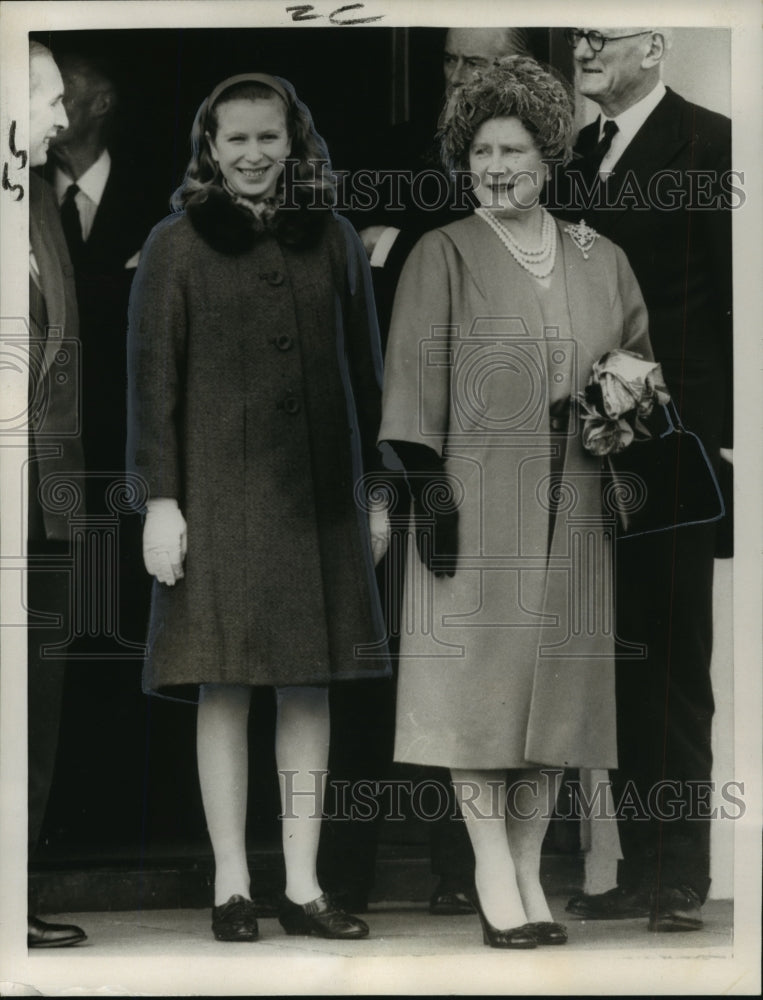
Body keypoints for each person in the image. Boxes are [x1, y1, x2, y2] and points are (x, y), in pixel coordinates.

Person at [378, 56, 654, 948]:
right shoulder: (442, 251)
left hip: (573, 506)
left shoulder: (597, 255)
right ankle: (491, 870)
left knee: (554, 706)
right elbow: (412, 380)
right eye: (480, 151)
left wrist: (622, 403)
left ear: (549, 156)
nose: (495, 167)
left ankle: (529, 868)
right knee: (472, 697)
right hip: (473, 503)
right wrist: (427, 494)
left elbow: (640, 367)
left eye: (515, 149)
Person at [126, 72, 389, 943]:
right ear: (209, 147)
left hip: (320, 502)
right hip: (219, 503)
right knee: (226, 686)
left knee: (310, 689)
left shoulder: (337, 239)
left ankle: (305, 887)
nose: (252, 155)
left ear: (295, 143)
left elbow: (368, 377)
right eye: (234, 139)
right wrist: (160, 503)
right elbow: (150, 387)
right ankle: (232, 886)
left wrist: (377, 494)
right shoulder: (175, 245)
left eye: (268, 138)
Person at [322, 26, 543, 920]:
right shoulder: (387, 162)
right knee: (368, 660)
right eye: (451, 61)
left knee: (474, 666)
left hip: (485, 467)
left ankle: (464, 870)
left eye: (481, 63)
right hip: (384, 450)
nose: (462, 78)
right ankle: (343, 875)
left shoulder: (520, 181)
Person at [556, 27, 732, 932]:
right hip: (583, 453)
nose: (583, 48)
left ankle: (676, 875)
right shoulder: (576, 154)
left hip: (674, 448)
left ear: (654, 44)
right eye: (577, 33)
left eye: (602, 35)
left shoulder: (716, 145)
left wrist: (726, 438)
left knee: (670, 664)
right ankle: (630, 867)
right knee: (614, 659)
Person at [26, 40, 87, 948]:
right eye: (43, 96)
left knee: (35, 695)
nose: (63, 116)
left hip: (45, 496)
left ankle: (12, 884)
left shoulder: (41, 202)